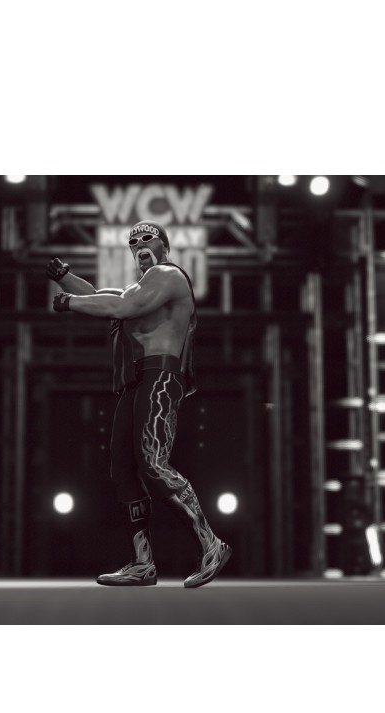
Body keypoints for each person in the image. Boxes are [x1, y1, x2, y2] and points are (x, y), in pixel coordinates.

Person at [46, 219, 231, 588]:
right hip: (136, 382)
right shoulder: (140, 287)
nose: (140, 244)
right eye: (134, 242)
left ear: (164, 246)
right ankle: (143, 562)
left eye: (148, 238)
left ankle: (211, 544)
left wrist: (69, 302)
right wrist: (65, 278)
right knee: (123, 471)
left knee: (153, 462)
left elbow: (122, 306)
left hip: (161, 376)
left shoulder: (168, 276)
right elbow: (103, 295)